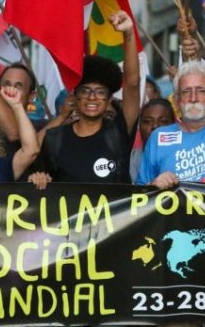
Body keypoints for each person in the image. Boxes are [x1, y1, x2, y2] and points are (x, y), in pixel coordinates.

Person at [136, 0, 205, 190]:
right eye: (186, 91)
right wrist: (153, 185)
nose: (193, 97)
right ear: (176, 100)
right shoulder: (158, 137)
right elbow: (138, 199)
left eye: (200, 90)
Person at [30, 12, 140, 194]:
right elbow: (40, 182)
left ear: (109, 99)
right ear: (75, 96)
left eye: (100, 92)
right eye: (86, 91)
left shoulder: (118, 132)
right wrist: (37, 179)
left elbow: (132, 84)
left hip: (115, 222)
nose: (92, 97)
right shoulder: (54, 139)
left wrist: (128, 33)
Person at [130, 98, 176, 181]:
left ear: (174, 126)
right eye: (147, 121)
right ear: (139, 127)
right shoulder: (131, 159)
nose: (155, 126)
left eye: (163, 121)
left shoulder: (184, 156)